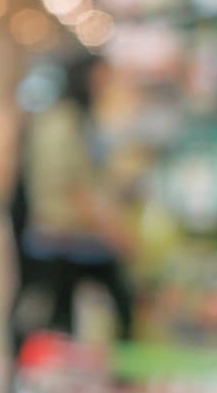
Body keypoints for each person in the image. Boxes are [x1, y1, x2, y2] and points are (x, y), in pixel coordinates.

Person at [13, 53, 135, 359]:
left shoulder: (82, 120)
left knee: (68, 314)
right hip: (62, 234)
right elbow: (67, 186)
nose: (107, 86)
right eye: (102, 78)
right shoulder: (61, 123)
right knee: (60, 312)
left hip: (77, 233)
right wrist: (109, 229)